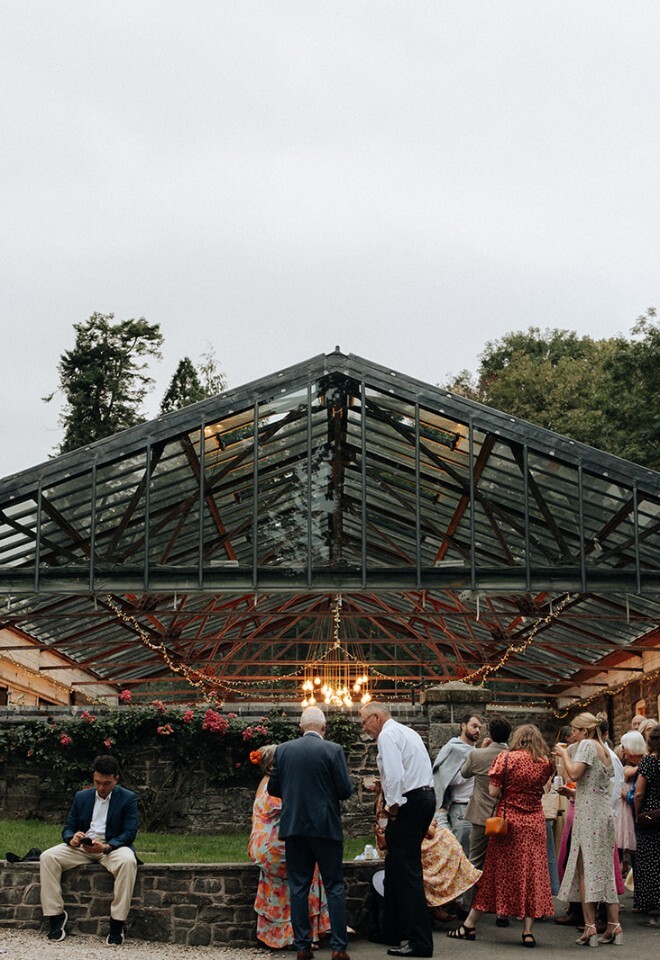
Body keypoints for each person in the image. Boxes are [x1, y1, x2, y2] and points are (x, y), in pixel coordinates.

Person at [447, 723, 554, 948]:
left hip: (510, 823)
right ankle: (527, 931)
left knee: (496, 873)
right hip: (534, 823)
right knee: (531, 874)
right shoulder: (545, 762)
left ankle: (469, 924)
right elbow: (544, 788)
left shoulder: (506, 759)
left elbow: (494, 792)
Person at [268, 706, 352, 960]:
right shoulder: (333, 750)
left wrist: (294, 793)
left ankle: (302, 946)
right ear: (324, 727)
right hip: (326, 827)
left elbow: (273, 788)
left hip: (295, 827)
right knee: (334, 886)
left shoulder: (283, 750)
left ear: (300, 728)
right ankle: (338, 948)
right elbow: (345, 790)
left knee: (299, 887)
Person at [361, 701, 436, 959]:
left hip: (409, 803)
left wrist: (392, 806)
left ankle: (420, 941)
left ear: (376, 717)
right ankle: (390, 929)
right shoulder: (407, 732)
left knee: (407, 872)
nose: (364, 728)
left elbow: (395, 775)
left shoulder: (387, 735)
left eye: (364, 722)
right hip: (425, 798)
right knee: (394, 866)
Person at [39, 754, 139, 945]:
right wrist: (72, 838)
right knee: (47, 857)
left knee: (128, 862)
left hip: (112, 847)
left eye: (107, 783)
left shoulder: (128, 798)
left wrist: (107, 846)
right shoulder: (82, 796)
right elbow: (69, 827)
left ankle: (117, 923)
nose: (101, 788)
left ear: (116, 778)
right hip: (83, 847)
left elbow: (129, 833)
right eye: (97, 782)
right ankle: (55, 917)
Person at [248, 744, 331, 949]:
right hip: (274, 846)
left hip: (260, 845)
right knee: (311, 868)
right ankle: (306, 933)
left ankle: (277, 934)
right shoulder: (276, 787)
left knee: (278, 885)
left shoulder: (263, 782)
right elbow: (295, 810)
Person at [555, 712, 622, 946]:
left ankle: (590, 927)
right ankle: (614, 924)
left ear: (584, 730)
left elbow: (574, 773)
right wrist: (574, 793)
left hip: (589, 815)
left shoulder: (586, 745)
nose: (572, 734)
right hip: (603, 812)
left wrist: (564, 754)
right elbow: (598, 786)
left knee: (586, 871)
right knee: (605, 870)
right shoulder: (605, 750)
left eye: (575, 730)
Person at [460, 715, 510, 920]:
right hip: (505, 816)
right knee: (504, 863)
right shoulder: (513, 756)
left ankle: (467, 906)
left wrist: (480, 748)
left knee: (475, 861)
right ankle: (502, 913)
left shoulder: (477, 755)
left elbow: (464, 773)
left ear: (490, 734)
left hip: (481, 815)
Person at [432, 714, 482, 855]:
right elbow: (444, 779)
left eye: (479, 728)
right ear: (463, 726)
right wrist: (470, 770)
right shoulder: (453, 748)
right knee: (461, 853)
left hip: (477, 808)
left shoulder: (476, 752)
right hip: (461, 807)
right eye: (474, 726)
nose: (477, 730)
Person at [633, 724, 660, 917]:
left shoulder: (649, 762)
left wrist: (637, 814)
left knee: (649, 859)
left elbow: (639, 793)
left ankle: (649, 901)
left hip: (651, 815)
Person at [615, 730, 646, 878]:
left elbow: (636, 796)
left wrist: (622, 793)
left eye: (624, 747)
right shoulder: (633, 767)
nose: (622, 751)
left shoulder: (644, 766)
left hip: (643, 816)